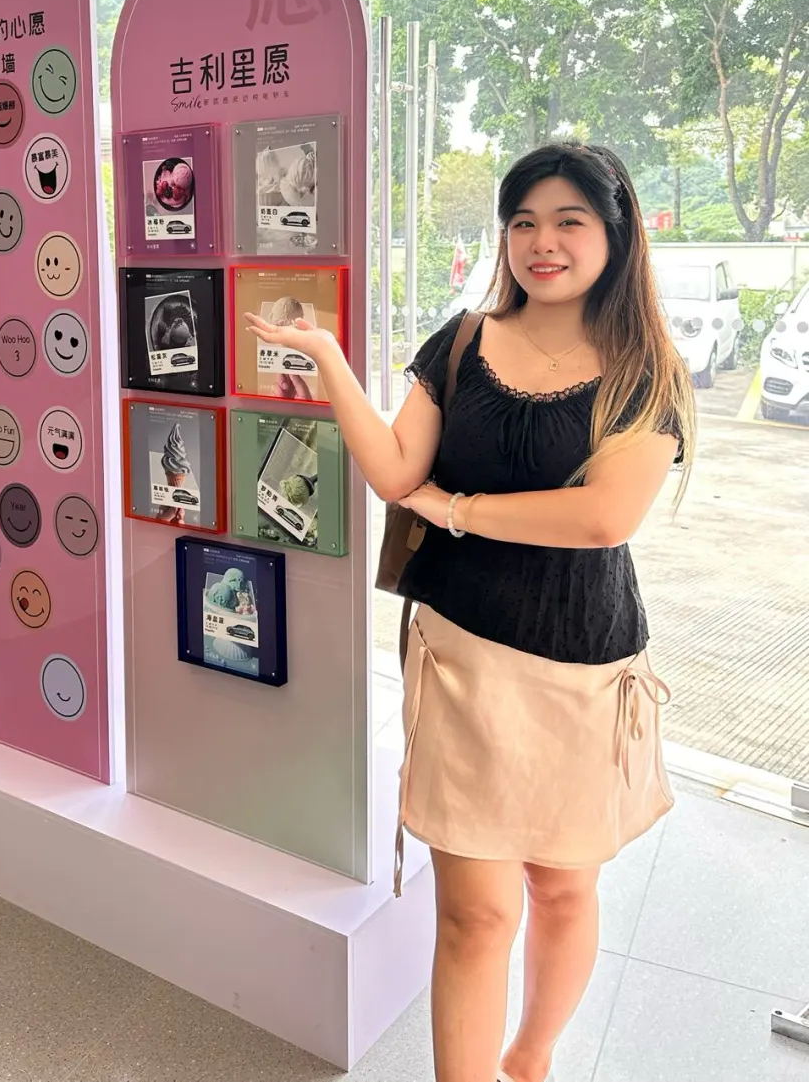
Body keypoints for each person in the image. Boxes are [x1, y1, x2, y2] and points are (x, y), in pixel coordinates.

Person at [245, 142, 696, 1082]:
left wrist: (461, 512)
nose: (542, 242)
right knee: (476, 914)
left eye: (569, 221)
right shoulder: (462, 342)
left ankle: (529, 1059)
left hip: (582, 667)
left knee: (562, 888)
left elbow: (603, 517)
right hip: (460, 660)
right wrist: (329, 359)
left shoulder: (646, 369)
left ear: (616, 234)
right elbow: (394, 471)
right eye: (523, 222)